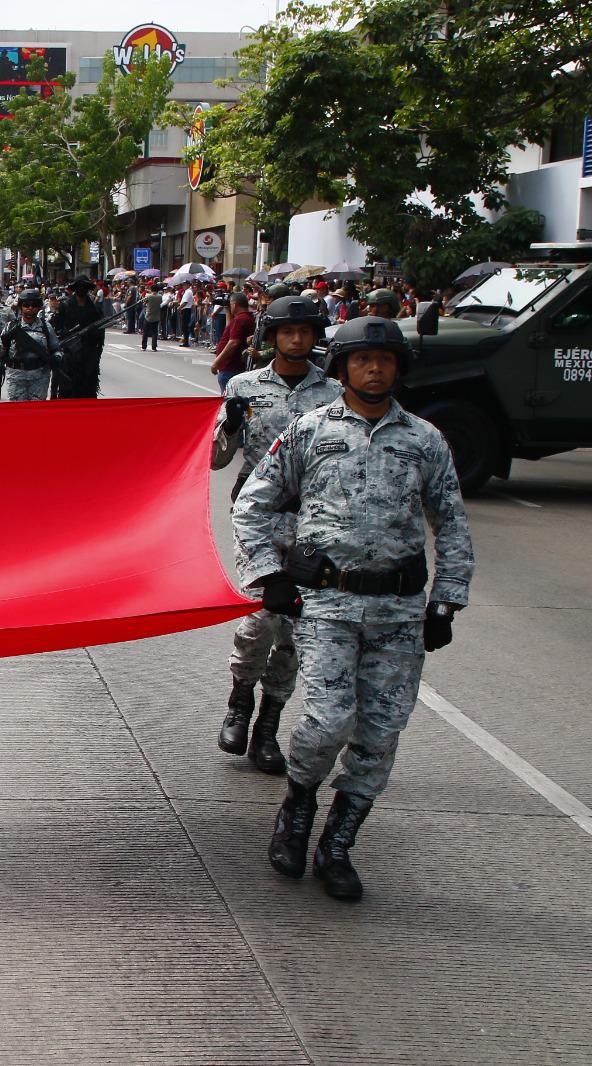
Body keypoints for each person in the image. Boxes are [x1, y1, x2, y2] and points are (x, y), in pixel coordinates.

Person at [233, 315, 474, 901]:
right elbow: (252, 506)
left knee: (381, 731)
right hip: (327, 606)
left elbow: (452, 523)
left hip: (398, 612)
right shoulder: (311, 430)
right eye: (362, 360)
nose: (374, 369)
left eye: (385, 360)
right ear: (341, 367)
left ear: (398, 369)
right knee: (325, 720)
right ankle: (296, 809)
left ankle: (337, 842)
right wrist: (269, 575)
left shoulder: (424, 439)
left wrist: (446, 600)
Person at [211, 295, 342, 775]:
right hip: (258, 517)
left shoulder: (333, 394)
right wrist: (228, 423)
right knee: (263, 615)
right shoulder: (244, 386)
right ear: (272, 337)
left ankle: (268, 725)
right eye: (289, 331)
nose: (297, 339)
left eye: (306, 331)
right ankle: (240, 698)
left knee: (294, 627)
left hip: (313, 522)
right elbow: (216, 459)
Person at [0, 290, 61, 402]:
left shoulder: (46, 327)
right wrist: (3, 347)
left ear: (39, 307)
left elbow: (56, 349)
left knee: (36, 414)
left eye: (34, 305)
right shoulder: (11, 326)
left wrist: (57, 358)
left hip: (39, 376)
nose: (30, 308)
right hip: (16, 376)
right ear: (21, 306)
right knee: (18, 413)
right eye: (26, 305)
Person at [53, 278, 105, 399]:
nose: (81, 290)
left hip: (89, 355)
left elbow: (100, 332)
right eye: (79, 287)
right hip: (69, 354)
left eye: (84, 287)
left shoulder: (94, 309)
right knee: (67, 388)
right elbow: (57, 328)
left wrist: (96, 346)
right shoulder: (65, 306)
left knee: (87, 389)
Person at [211, 292, 258, 392]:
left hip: (231, 367)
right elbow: (229, 328)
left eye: (231, 304)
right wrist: (228, 309)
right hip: (233, 367)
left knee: (229, 401)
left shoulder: (240, 319)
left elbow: (233, 342)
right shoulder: (243, 318)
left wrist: (217, 362)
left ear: (235, 305)